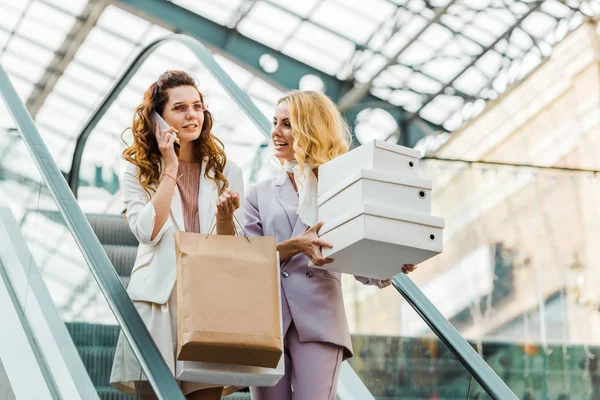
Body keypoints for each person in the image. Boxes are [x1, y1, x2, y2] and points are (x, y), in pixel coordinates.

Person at [245, 90, 416, 400]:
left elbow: (359, 257)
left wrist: (392, 263)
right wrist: (296, 245)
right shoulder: (259, 194)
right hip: (266, 319)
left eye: (287, 124)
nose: (276, 132)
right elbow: (246, 259)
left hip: (319, 317)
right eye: (275, 122)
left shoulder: (341, 187)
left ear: (309, 128)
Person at [109, 70, 244, 400]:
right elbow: (147, 231)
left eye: (197, 106)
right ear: (158, 118)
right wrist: (169, 169)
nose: (192, 115)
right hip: (157, 301)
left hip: (207, 299)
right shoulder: (138, 170)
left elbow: (232, 249)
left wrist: (225, 219)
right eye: (180, 108)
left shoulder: (227, 171)